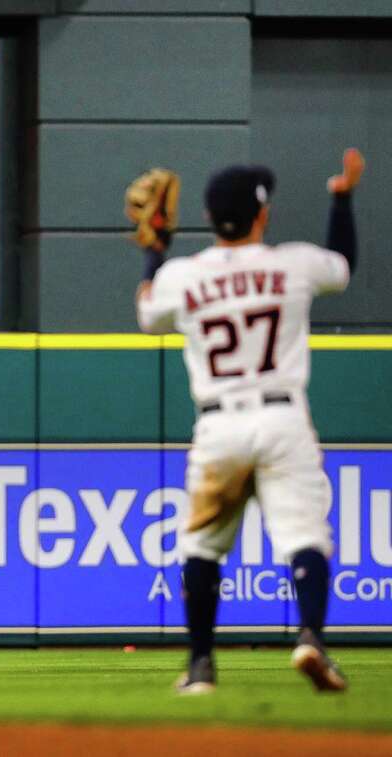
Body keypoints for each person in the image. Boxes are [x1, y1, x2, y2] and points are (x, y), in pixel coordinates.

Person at [135, 149, 365, 694]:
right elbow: (344, 264)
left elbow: (147, 316)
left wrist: (155, 251)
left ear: (213, 218)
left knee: (202, 548)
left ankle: (199, 668)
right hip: (282, 419)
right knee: (305, 536)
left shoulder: (182, 276)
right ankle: (310, 636)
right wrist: (342, 197)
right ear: (261, 214)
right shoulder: (294, 263)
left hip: (219, 426)